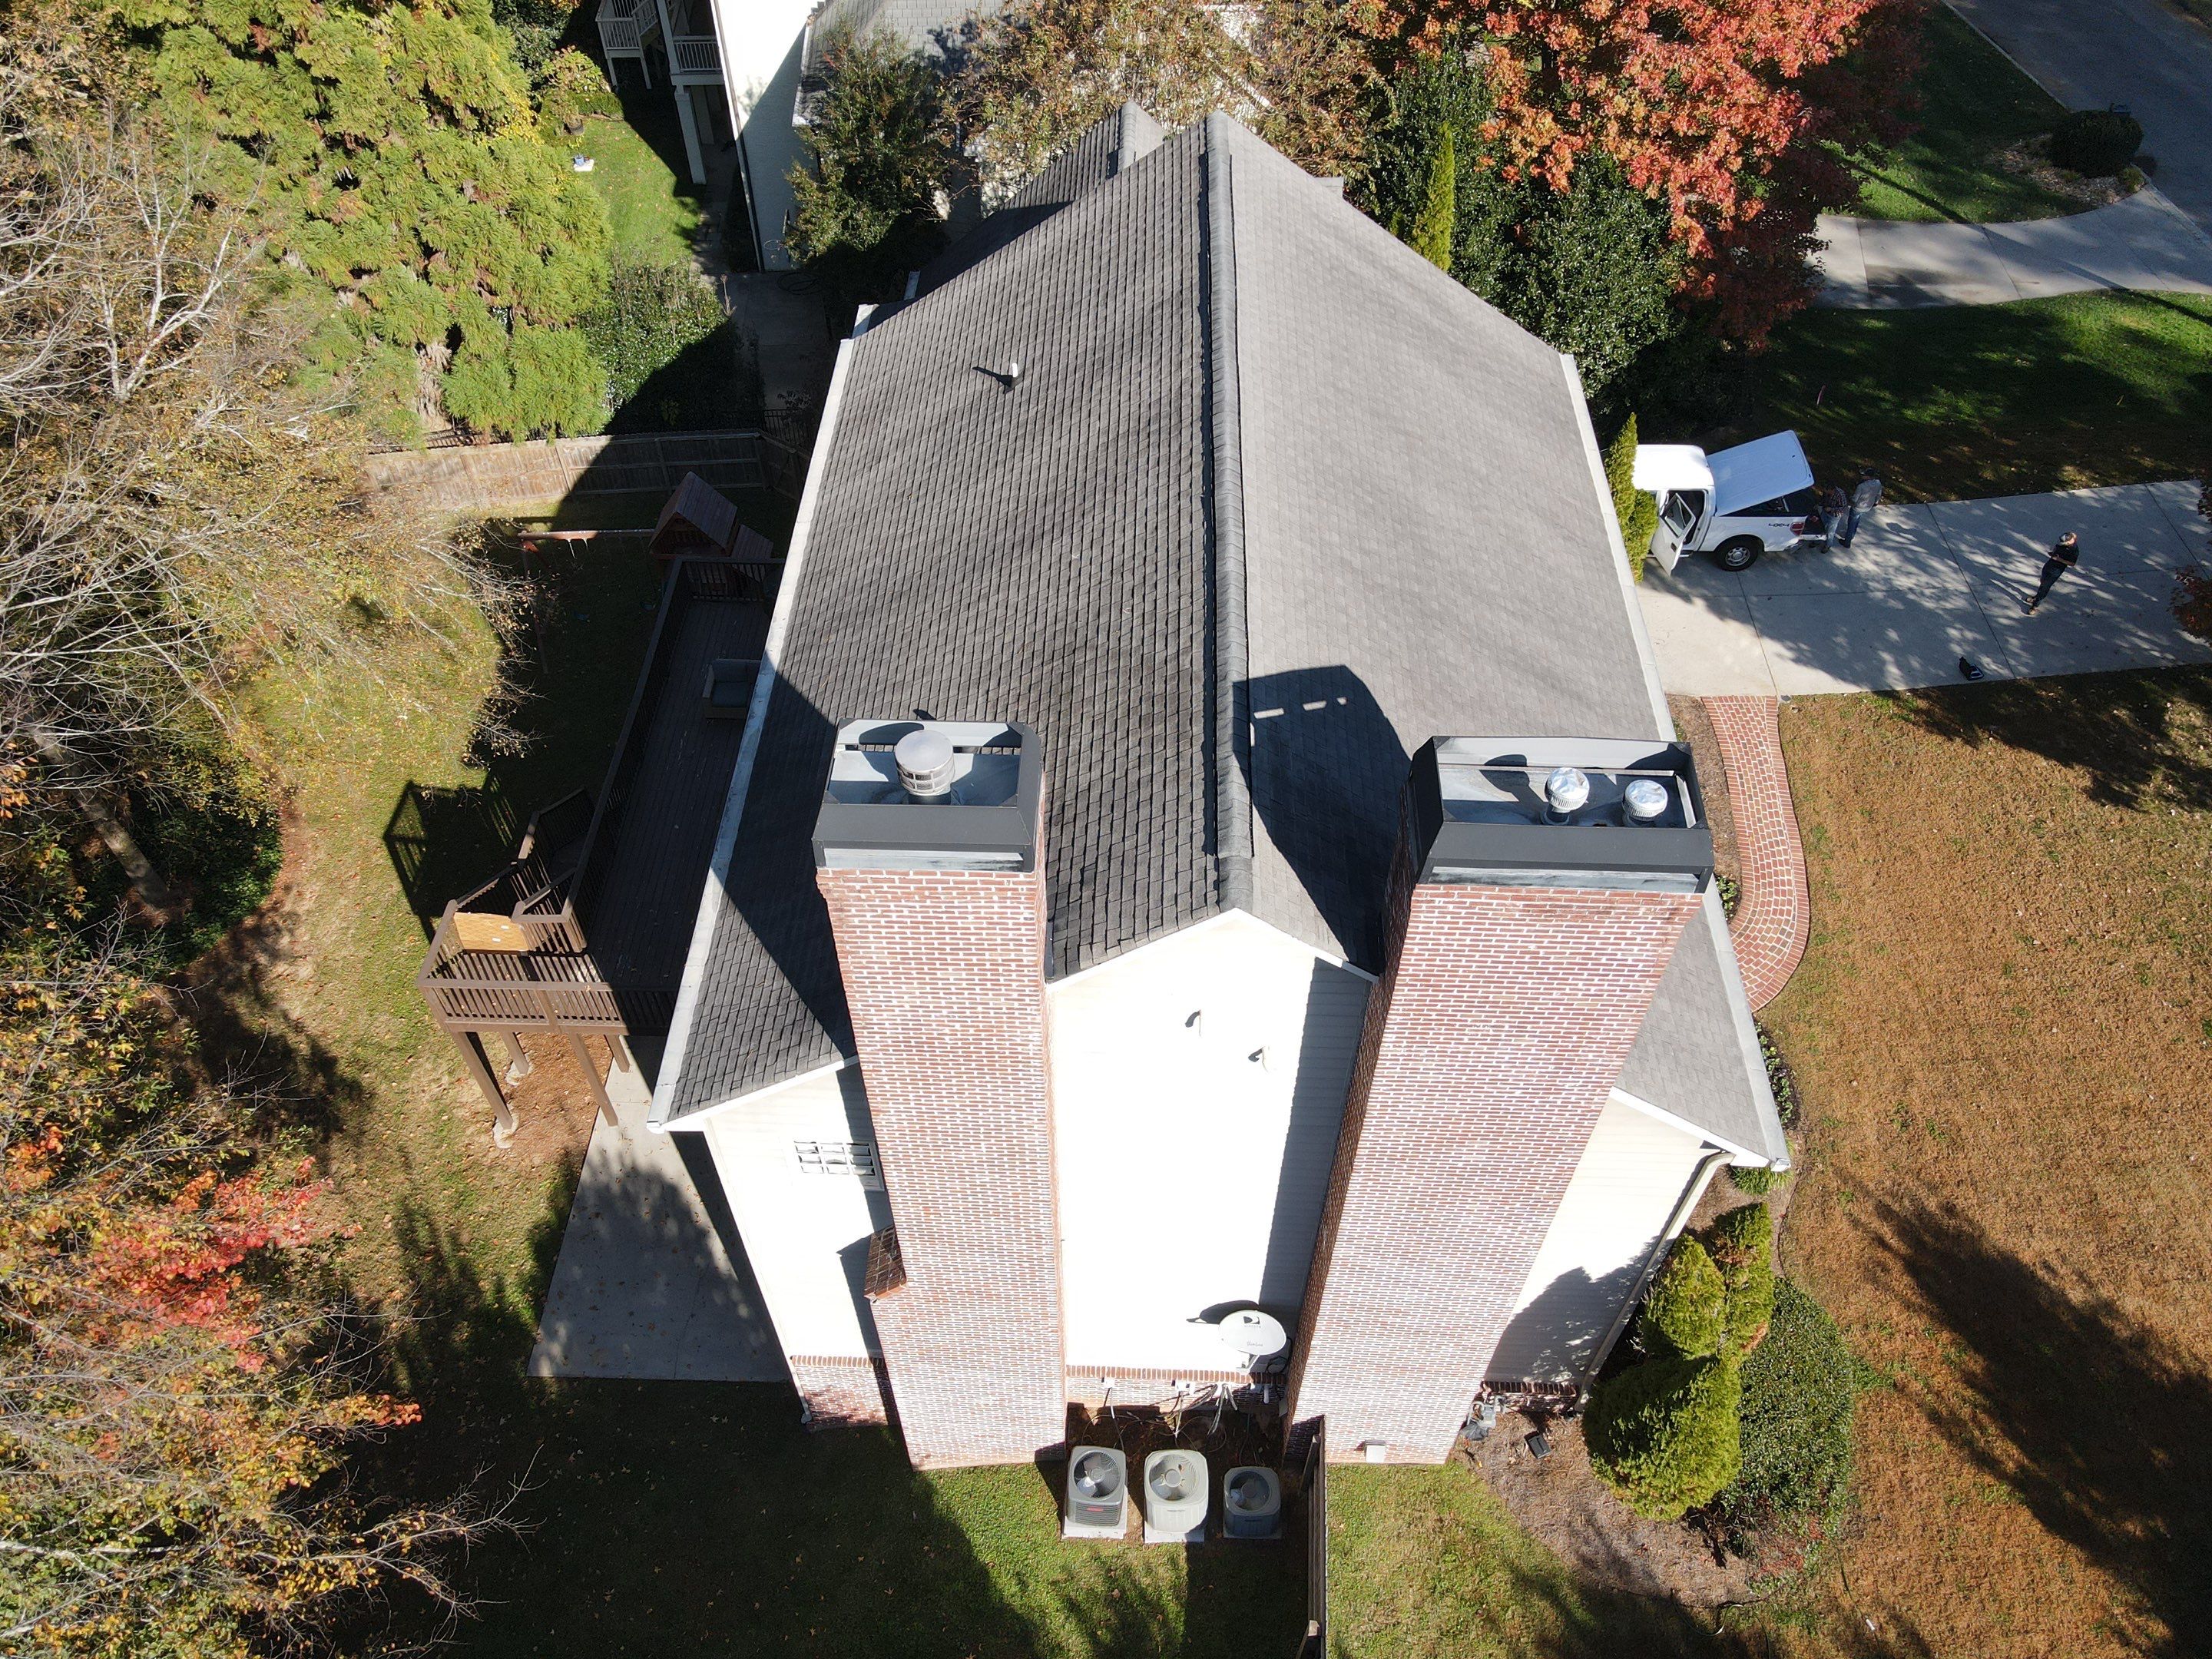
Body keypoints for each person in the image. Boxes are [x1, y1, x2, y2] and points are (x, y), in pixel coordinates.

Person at [2024, 531, 2080, 614]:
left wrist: (2059, 560)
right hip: (2049, 565)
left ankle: (2035, 605)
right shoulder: (2061, 544)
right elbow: (2056, 548)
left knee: (2045, 587)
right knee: (2042, 582)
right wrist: (2053, 553)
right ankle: (2036, 597)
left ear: (2069, 542)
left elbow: (2072, 563)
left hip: (2056, 570)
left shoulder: (2074, 550)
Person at [1838, 466, 1883, 548]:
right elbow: (1879, 494)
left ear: (1868, 477)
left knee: (1851, 523)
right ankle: (1852, 535)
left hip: (1858, 507)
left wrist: (1849, 499)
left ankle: (1847, 542)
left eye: (1864, 475)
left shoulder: (1861, 486)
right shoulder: (1878, 483)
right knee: (1857, 520)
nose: (1862, 476)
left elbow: (1855, 499)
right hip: (1868, 507)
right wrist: (1876, 502)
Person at [1820, 483, 1849, 550]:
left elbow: (1843, 507)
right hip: (1825, 511)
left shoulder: (1840, 494)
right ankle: (1818, 540)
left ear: (1832, 490)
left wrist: (1831, 509)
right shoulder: (1826, 492)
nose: (1826, 493)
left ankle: (1828, 545)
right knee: (1821, 526)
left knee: (1830, 531)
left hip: (1835, 515)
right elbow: (1823, 499)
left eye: (1827, 491)